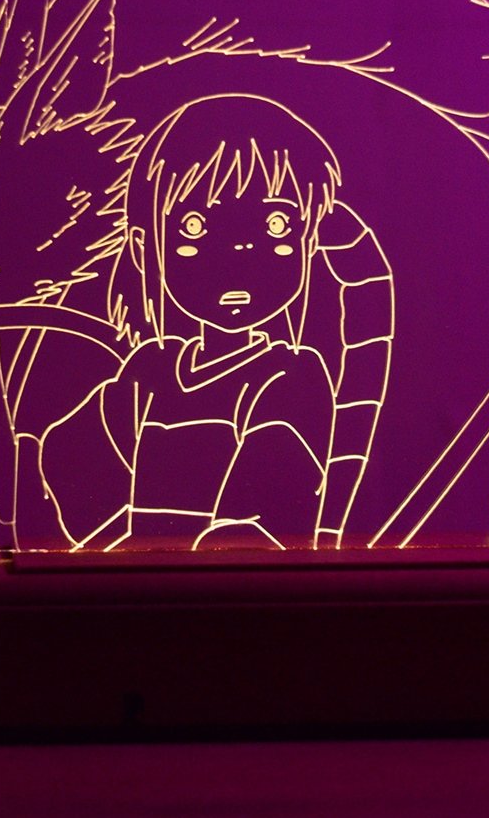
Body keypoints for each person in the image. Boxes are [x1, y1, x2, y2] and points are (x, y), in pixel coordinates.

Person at [87, 93, 343, 550]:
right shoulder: (149, 369)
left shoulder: (292, 376)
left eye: (277, 224)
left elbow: (256, 531)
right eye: (195, 226)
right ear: (145, 248)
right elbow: (71, 488)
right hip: (132, 586)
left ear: (310, 242)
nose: (239, 251)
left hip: (231, 590)